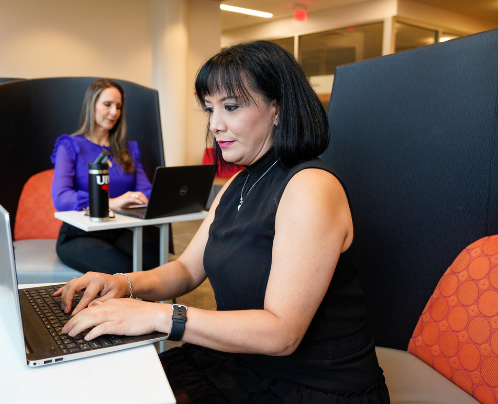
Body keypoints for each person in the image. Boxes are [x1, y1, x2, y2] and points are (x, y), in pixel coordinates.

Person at [54, 42, 391, 403]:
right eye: (210, 109)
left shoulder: (311, 186)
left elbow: (282, 333)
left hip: (312, 385)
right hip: (242, 362)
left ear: (277, 107)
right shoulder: (238, 182)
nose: (215, 125)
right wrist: (121, 283)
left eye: (231, 107)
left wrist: (158, 316)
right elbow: (185, 269)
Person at [50, 79, 160, 274]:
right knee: (122, 271)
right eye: (107, 105)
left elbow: (147, 191)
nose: (114, 112)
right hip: (79, 233)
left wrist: (143, 198)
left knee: (154, 261)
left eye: (118, 106)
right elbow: (61, 198)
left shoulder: (127, 149)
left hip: (122, 228)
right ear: (91, 105)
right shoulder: (70, 146)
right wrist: (113, 202)